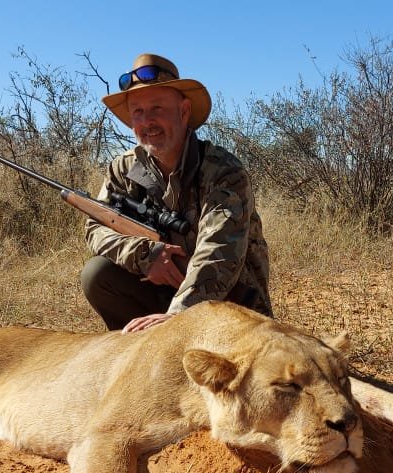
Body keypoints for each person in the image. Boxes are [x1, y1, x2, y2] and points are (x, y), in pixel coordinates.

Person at [81, 53, 272, 333]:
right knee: (97, 274)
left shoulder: (223, 171)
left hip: (223, 300)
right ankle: (139, 353)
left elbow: (219, 254)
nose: (147, 121)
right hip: (159, 293)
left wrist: (178, 317)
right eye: (138, 112)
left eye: (157, 108)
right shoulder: (122, 168)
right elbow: (96, 227)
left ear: (183, 112)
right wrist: (144, 254)